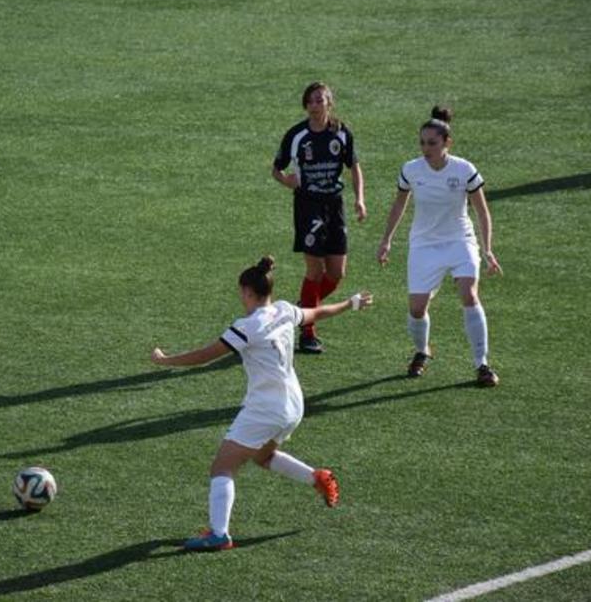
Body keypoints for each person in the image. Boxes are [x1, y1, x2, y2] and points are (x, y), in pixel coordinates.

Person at [151, 256, 372, 551]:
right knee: (263, 456)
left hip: (266, 408)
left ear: (247, 291)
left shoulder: (247, 326)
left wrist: (166, 360)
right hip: (294, 404)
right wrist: (350, 304)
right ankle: (316, 477)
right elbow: (317, 312)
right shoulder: (285, 310)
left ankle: (219, 534)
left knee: (222, 467)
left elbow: (205, 356)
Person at [376, 106, 502, 386]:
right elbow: (399, 204)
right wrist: (386, 240)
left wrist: (487, 249)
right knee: (416, 309)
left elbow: (482, 211)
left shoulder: (464, 169)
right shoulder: (411, 169)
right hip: (424, 245)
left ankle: (482, 364)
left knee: (469, 294)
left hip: (460, 240)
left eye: (432, 143)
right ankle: (422, 351)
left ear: (447, 143)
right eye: (422, 142)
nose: (426, 148)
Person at [271, 82, 367, 354]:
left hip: (335, 205)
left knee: (336, 273)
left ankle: (300, 310)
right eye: (310, 101)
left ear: (329, 104)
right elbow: (276, 169)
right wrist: (287, 181)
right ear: (305, 105)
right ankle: (308, 332)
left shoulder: (341, 133)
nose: (314, 105)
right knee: (314, 271)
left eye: (319, 100)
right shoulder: (297, 135)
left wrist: (360, 199)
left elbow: (354, 167)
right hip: (308, 205)